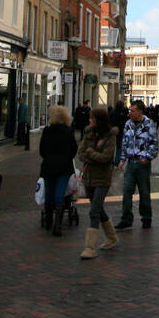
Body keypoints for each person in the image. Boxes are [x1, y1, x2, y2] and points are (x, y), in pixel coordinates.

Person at [78, 107, 118, 259]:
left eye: (92, 118)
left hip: (102, 178)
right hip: (88, 177)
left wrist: (90, 153)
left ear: (98, 120)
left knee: (94, 210)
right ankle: (112, 237)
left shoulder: (110, 136)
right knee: (98, 208)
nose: (89, 120)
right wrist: (92, 155)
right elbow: (80, 153)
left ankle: (90, 247)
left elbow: (106, 158)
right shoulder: (88, 133)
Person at [115, 100, 159, 230]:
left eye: (132, 111)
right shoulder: (128, 124)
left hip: (142, 164)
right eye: (129, 110)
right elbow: (124, 142)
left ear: (140, 111)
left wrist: (148, 157)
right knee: (127, 190)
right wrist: (122, 159)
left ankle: (146, 218)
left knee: (144, 192)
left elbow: (154, 144)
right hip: (131, 163)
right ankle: (126, 218)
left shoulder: (149, 124)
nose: (130, 113)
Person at [39, 105, 78, 236]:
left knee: (49, 193)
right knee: (59, 193)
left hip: (49, 167)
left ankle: (49, 221)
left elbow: (42, 150)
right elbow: (74, 149)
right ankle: (58, 226)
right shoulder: (68, 131)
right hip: (63, 167)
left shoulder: (47, 131)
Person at [110, 100, 130, 167]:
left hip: (112, 131)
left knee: (111, 147)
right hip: (120, 131)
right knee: (119, 147)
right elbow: (125, 122)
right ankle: (117, 161)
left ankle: (111, 161)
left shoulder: (112, 112)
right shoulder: (122, 113)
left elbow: (109, 121)